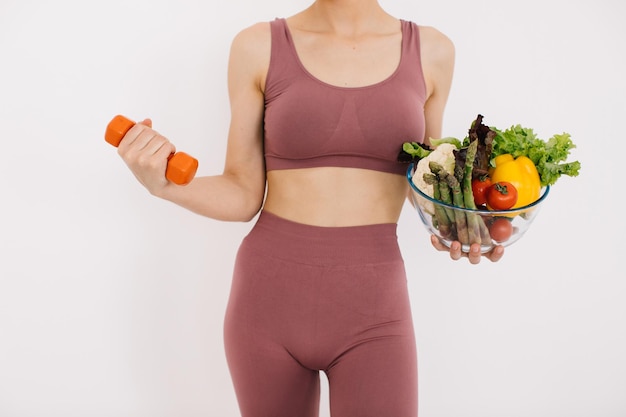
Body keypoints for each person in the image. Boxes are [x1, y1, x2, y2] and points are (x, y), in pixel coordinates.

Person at [116, 0, 504, 415]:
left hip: (374, 309)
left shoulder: (433, 51)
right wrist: (164, 187)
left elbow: (427, 179)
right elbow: (243, 193)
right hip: (266, 303)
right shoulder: (257, 46)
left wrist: (463, 226)